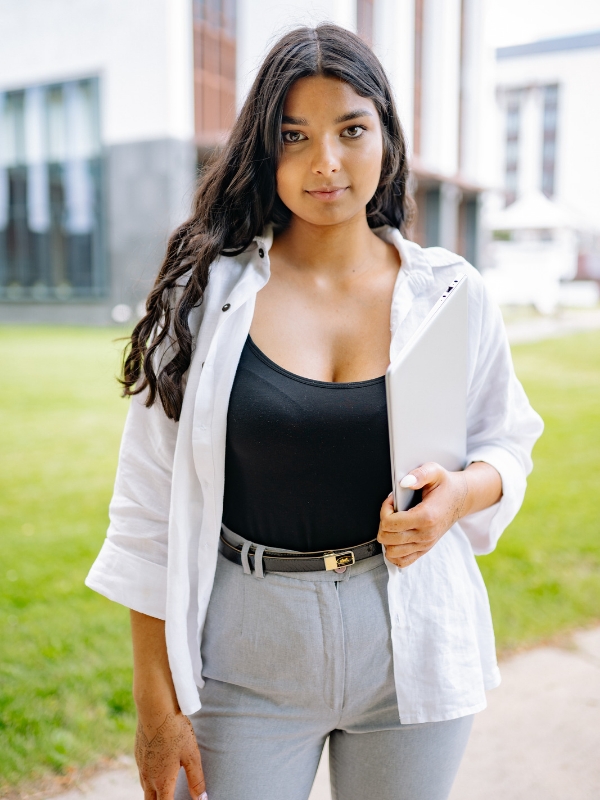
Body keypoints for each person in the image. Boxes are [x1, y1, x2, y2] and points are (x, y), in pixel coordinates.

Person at [86, 23, 543, 800]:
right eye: (293, 136)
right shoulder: (205, 298)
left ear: (387, 140)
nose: (325, 162)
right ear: (264, 152)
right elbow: (146, 513)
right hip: (246, 652)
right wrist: (154, 705)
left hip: (411, 646)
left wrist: (458, 497)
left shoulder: (449, 293)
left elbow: (508, 441)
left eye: (351, 129)